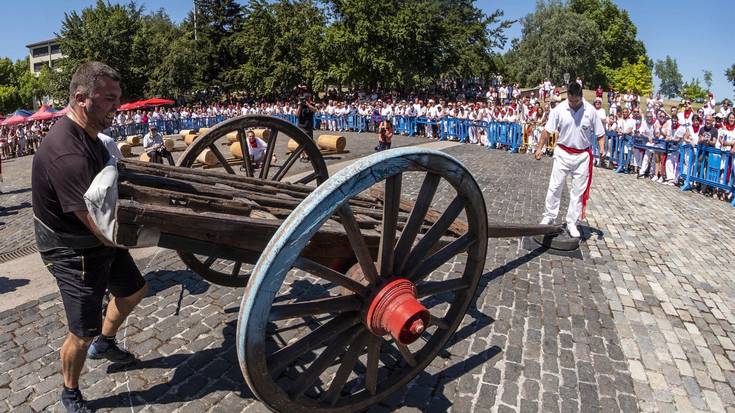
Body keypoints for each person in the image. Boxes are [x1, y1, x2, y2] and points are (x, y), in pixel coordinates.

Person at [31, 61, 148, 413]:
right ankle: (70, 392)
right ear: (82, 99)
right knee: (81, 331)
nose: (118, 105)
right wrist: (153, 232)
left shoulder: (91, 135)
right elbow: (99, 226)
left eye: (118, 97)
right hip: (71, 249)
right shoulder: (67, 152)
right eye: (109, 99)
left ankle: (106, 343)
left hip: (96, 238)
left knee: (134, 291)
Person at [534, 81, 605, 238]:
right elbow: (547, 130)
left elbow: (600, 133)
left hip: (582, 156)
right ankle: (549, 216)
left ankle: (572, 222)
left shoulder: (591, 111)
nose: (573, 104)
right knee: (555, 186)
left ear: (581, 97)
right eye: (571, 100)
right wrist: (540, 148)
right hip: (563, 153)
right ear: (568, 97)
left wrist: (602, 148)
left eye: (576, 101)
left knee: (577, 192)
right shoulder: (559, 109)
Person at [296, 94, 317, 162]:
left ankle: (309, 155)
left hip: (309, 126)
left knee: (310, 141)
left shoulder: (311, 104)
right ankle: (302, 156)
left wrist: (308, 104)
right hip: (301, 126)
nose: (305, 100)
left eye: (307, 98)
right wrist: (299, 106)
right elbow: (296, 115)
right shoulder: (300, 105)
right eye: (305, 98)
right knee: (302, 142)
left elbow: (315, 110)